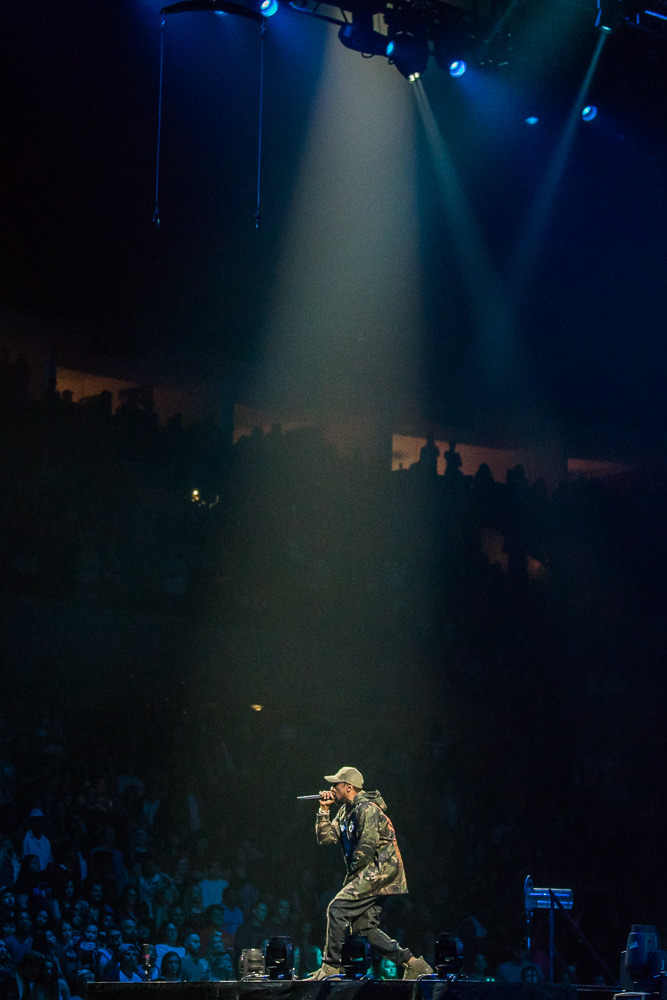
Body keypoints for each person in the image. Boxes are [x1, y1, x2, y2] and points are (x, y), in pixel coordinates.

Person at [310, 766, 432, 980]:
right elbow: (326, 838)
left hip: (379, 872)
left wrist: (351, 880)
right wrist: (323, 810)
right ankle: (413, 963)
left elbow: (366, 848)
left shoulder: (367, 808)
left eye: (335, 785)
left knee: (337, 909)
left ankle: (330, 967)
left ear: (348, 787)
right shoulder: (345, 811)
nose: (331, 788)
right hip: (371, 873)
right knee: (364, 929)